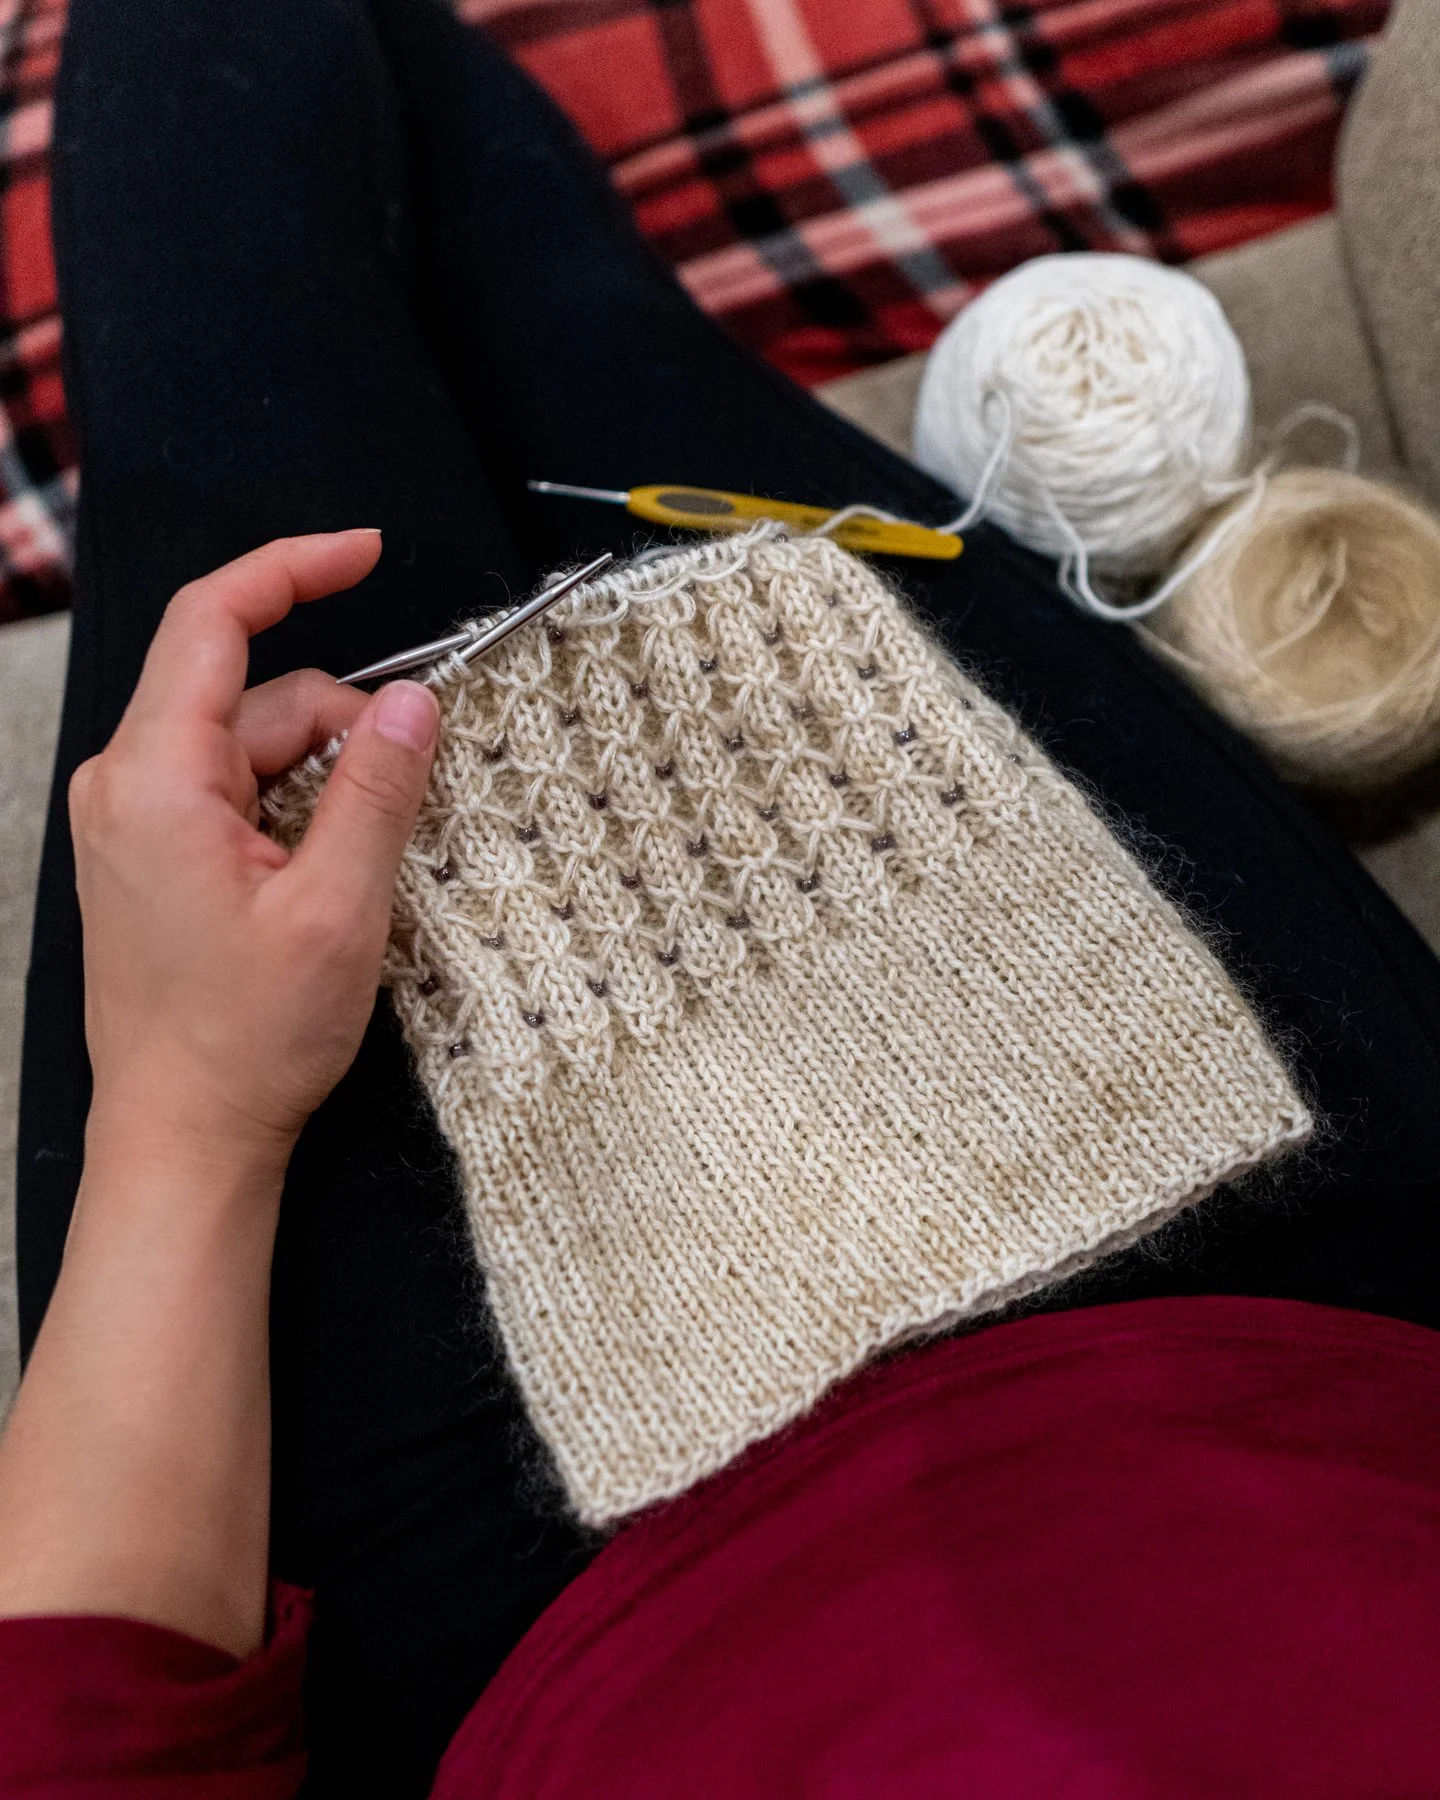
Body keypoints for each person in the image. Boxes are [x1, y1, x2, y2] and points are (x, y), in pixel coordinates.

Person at [0, 2, 1438, 1794]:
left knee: (206, 79)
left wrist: (189, 1108)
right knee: (563, 303)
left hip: (513, 1619)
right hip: (1320, 1358)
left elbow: (85, 1722)